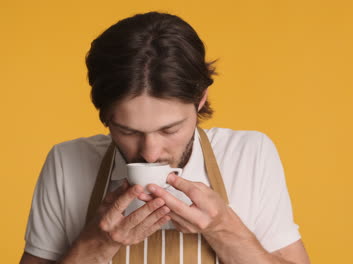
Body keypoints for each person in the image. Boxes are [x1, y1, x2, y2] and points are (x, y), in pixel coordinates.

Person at [20, 11, 310, 264]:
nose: (150, 152)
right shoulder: (66, 162)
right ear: (105, 114)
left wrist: (222, 227)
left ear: (200, 100)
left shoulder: (249, 154)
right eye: (128, 131)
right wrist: (98, 244)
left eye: (169, 130)